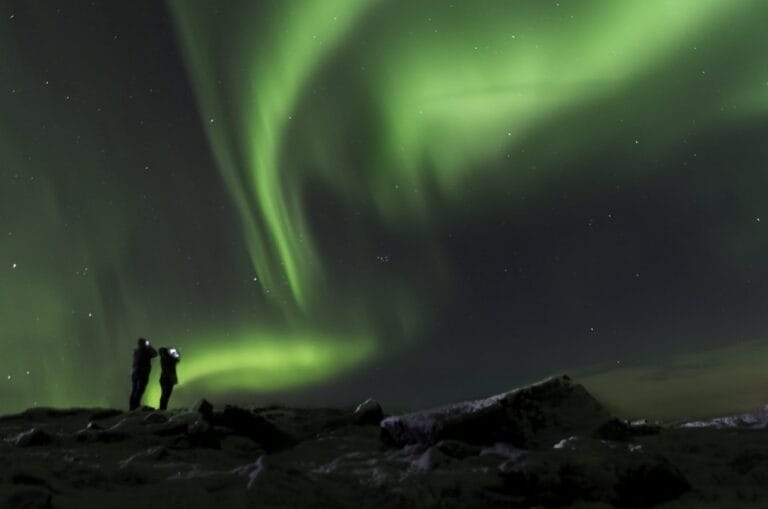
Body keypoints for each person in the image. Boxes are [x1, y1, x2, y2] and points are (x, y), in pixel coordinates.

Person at [129, 338, 157, 410]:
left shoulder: (136, 351)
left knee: (134, 389)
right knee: (140, 389)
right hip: (142, 372)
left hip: (135, 372)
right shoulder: (145, 351)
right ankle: (136, 406)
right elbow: (155, 354)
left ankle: (132, 407)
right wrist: (149, 346)